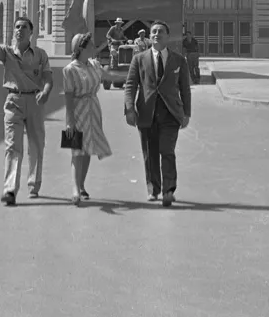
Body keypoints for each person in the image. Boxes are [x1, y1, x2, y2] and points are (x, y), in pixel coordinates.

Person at [0, 16, 53, 206]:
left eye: (24, 27)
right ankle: (10, 190)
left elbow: (49, 78)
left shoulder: (40, 54)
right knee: (12, 147)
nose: (19, 30)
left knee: (36, 144)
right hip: (13, 101)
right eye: (17, 27)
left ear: (31, 33)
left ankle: (34, 184)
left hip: (34, 100)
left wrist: (46, 92)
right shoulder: (7, 53)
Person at [124, 20, 191, 207]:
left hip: (170, 114)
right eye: (153, 31)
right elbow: (130, 85)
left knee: (167, 151)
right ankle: (153, 189)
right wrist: (129, 109)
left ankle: (169, 190)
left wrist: (187, 113)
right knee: (150, 153)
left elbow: (185, 88)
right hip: (147, 113)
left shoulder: (179, 60)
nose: (156, 34)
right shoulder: (139, 59)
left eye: (161, 31)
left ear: (167, 36)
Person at [62, 32, 113, 205]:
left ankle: (82, 185)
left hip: (93, 110)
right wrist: (70, 122)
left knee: (88, 148)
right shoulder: (69, 69)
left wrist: (131, 76)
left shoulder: (94, 65)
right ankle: (75, 189)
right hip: (76, 112)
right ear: (81, 48)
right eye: (90, 45)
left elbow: (109, 77)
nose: (93, 47)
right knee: (77, 150)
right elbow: (68, 98)